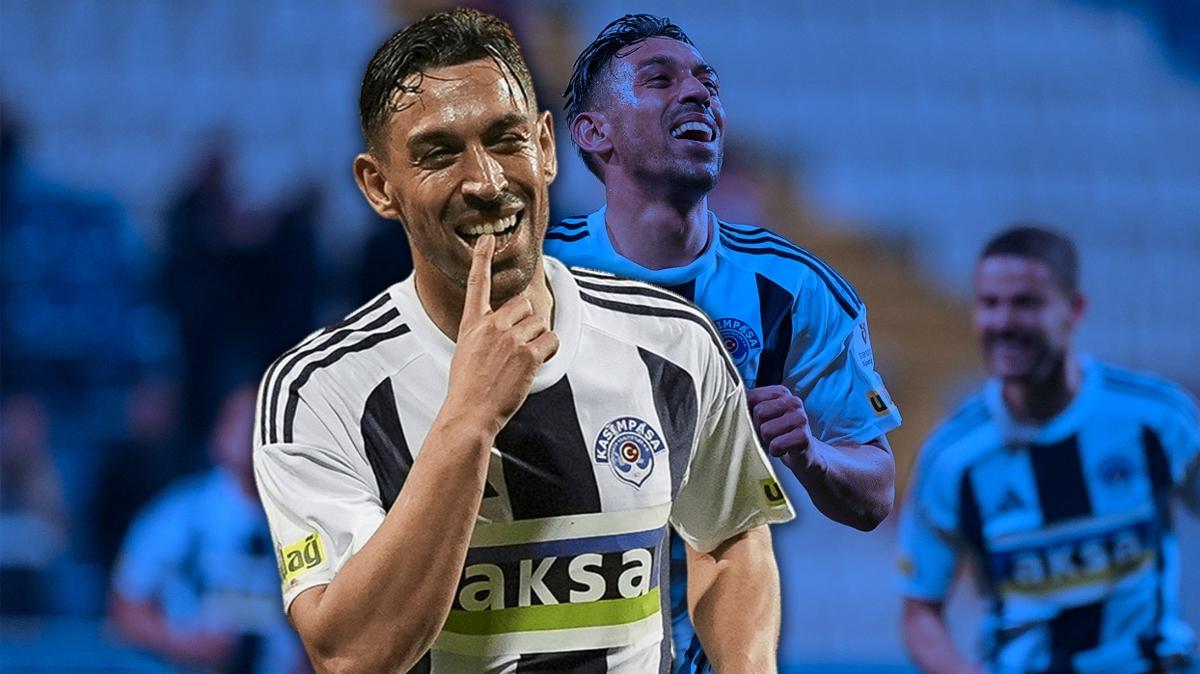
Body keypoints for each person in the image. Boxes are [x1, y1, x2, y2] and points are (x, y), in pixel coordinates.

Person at [253, 9, 795, 673]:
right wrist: (468, 418)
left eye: (506, 139)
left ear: (546, 146)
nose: (486, 182)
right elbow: (351, 655)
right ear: (379, 187)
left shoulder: (674, 344)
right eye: (439, 154)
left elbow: (732, 538)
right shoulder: (319, 390)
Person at [548, 14, 902, 671]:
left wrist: (811, 454)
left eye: (708, 84)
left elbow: (876, 492)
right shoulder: (533, 275)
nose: (697, 93)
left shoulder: (795, 289)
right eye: (660, 80)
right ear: (594, 133)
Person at [897, 226, 1200, 674]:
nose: (1003, 323)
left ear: (1074, 310)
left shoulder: (1157, 418)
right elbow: (919, 612)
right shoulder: (952, 457)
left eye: (1026, 303)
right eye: (989, 304)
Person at [110, 384, 308, 673]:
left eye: (266, 420)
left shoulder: (302, 520)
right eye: (244, 420)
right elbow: (124, 608)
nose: (253, 432)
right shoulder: (179, 515)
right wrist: (184, 644)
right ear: (218, 436)